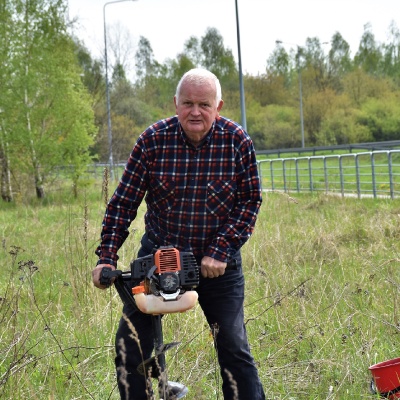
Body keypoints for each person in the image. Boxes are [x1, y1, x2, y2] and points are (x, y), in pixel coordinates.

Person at [92, 68, 265, 400]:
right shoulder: (153, 140)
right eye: (187, 103)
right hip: (159, 259)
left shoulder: (236, 142)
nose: (195, 112)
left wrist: (221, 249)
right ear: (175, 103)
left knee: (232, 343)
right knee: (132, 348)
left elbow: (249, 201)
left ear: (219, 105)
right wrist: (106, 258)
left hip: (217, 262)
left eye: (204, 104)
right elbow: (124, 203)